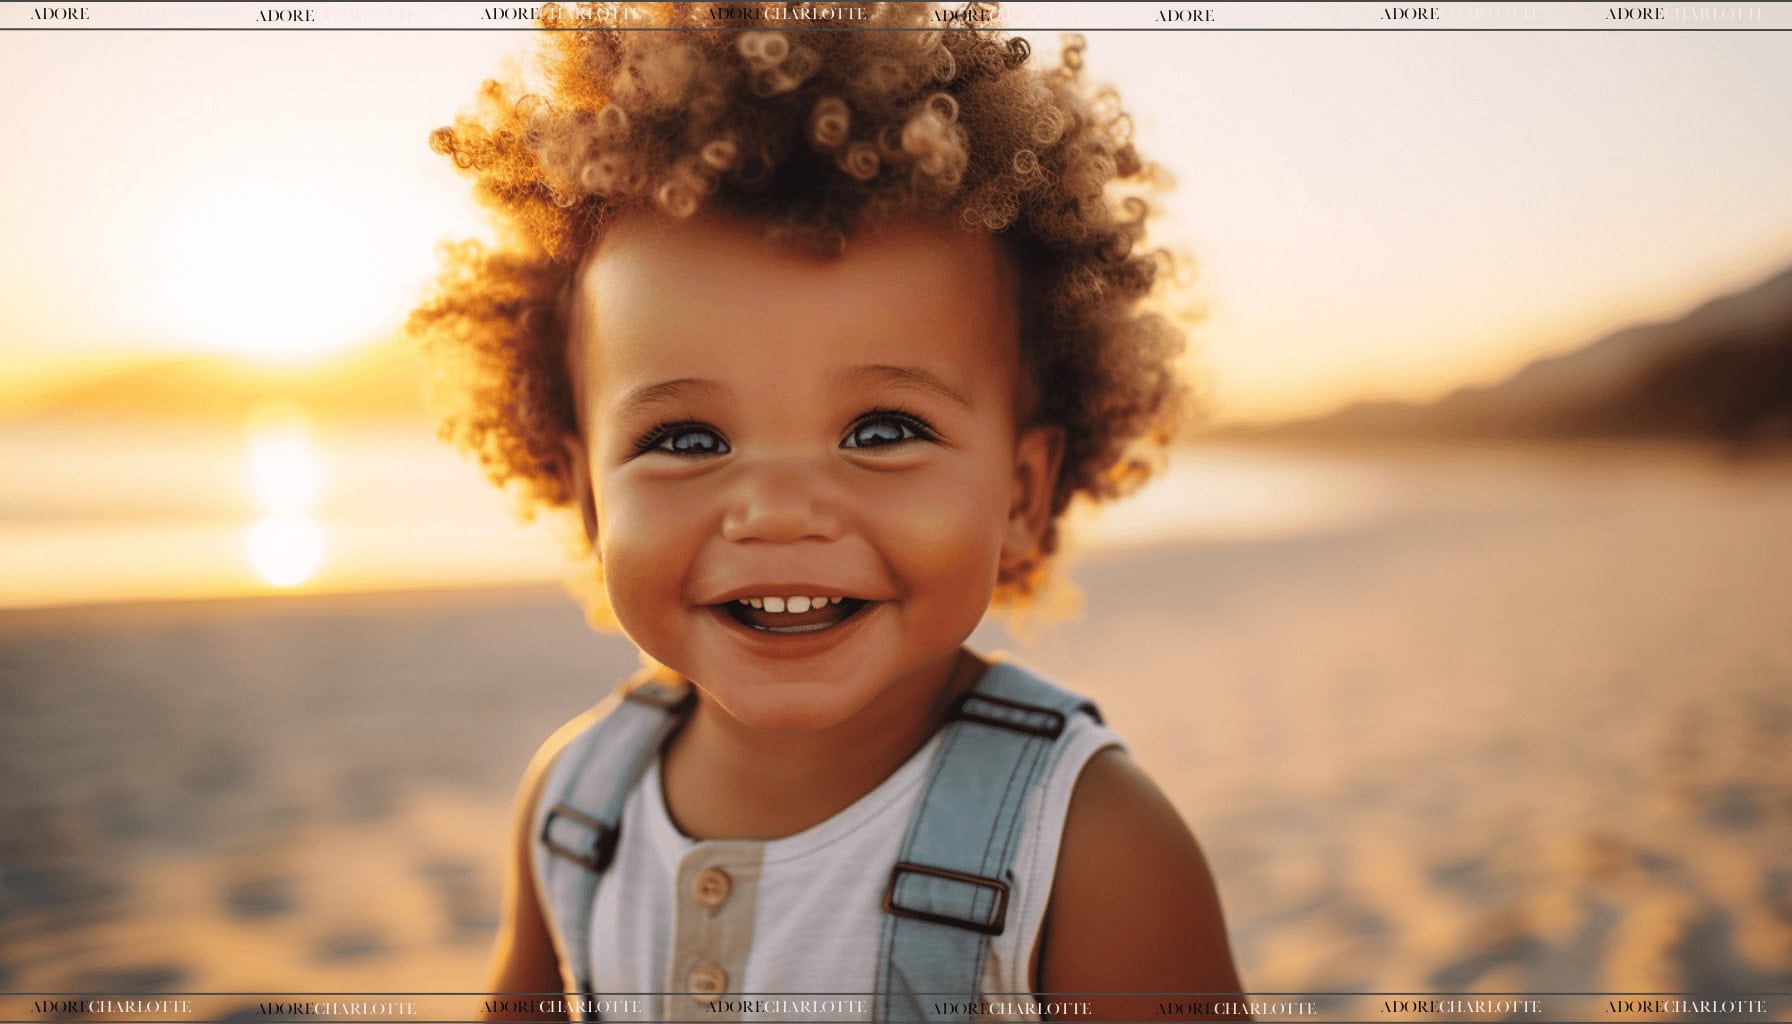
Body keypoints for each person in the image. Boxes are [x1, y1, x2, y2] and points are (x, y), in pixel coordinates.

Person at [407, 4, 1245, 1020]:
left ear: (1020, 493)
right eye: (685, 440)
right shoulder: (576, 804)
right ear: (589, 497)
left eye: (883, 429)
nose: (775, 510)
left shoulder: (1090, 847)